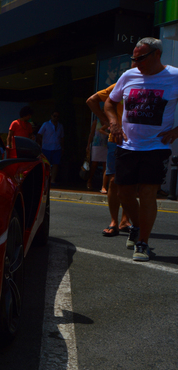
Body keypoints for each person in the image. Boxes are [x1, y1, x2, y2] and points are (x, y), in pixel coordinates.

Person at [105, 37, 178, 261]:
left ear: (157, 54)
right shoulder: (128, 76)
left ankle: (142, 243)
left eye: (141, 58)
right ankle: (137, 227)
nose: (136, 63)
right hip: (128, 145)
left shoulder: (174, 76)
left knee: (147, 193)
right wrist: (114, 124)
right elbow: (109, 102)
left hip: (156, 145)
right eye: (134, 59)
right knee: (124, 193)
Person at [86, 84, 132, 237]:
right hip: (117, 139)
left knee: (131, 182)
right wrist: (106, 121)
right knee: (113, 179)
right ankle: (114, 221)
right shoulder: (124, 82)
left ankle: (125, 221)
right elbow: (91, 100)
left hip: (138, 141)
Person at [37, 111, 64, 184]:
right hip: (46, 148)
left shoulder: (60, 126)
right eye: (54, 116)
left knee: (56, 164)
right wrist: (40, 144)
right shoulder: (46, 124)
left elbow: (62, 137)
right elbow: (39, 134)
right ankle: (45, 179)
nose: (56, 118)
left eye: (57, 116)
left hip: (57, 147)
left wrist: (62, 147)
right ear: (51, 116)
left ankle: (52, 180)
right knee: (46, 164)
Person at [86, 117, 109, 192]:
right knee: (94, 165)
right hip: (96, 144)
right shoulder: (96, 121)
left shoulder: (109, 122)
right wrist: (88, 145)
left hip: (106, 145)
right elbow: (92, 133)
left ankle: (104, 185)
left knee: (105, 165)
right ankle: (89, 181)